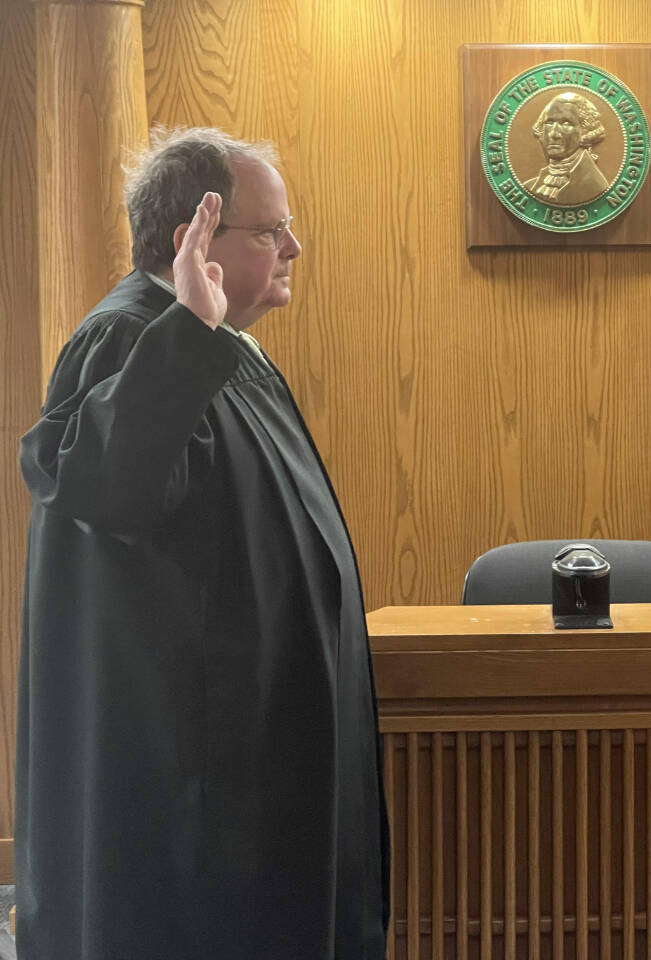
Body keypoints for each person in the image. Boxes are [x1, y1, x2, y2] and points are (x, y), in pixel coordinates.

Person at [16, 127, 388, 959]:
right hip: (196, 778)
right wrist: (188, 330)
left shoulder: (212, 342)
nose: (295, 245)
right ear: (192, 239)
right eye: (269, 231)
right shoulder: (135, 335)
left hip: (253, 750)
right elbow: (109, 487)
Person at [522, 91, 611, 205]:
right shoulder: (530, 186)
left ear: (586, 130)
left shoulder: (595, 186)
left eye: (566, 123)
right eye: (549, 122)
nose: (553, 134)